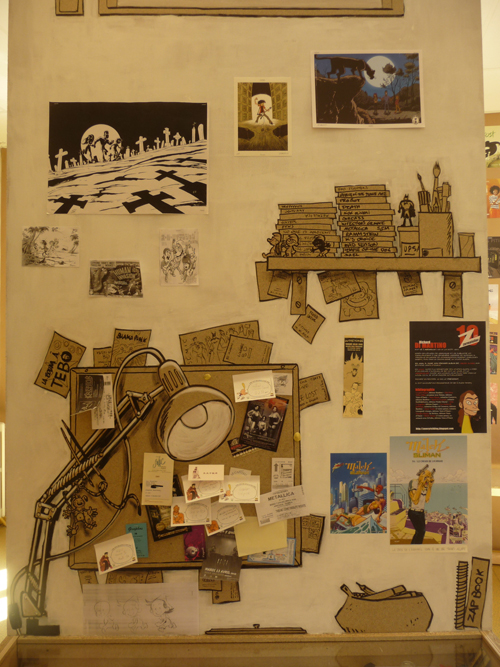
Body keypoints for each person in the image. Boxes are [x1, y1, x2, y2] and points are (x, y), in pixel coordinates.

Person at [408, 464, 435, 544]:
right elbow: (415, 500)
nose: (427, 481)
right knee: (421, 531)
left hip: (421, 512)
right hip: (414, 512)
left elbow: (427, 500)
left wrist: (430, 487)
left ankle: (413, 546)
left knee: (419, 532)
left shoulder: (424, 485)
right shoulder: (413, 482)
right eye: (426, 478)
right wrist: (420, 484)